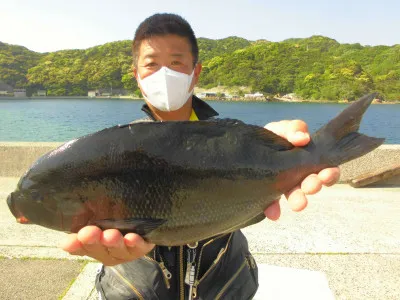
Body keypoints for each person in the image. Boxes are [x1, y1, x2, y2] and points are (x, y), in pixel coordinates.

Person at [61, 13, 340, 299]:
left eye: (176, 62)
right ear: (137, 75)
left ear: (196, 72)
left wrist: (281, 149)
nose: (164, 74)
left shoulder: (228, 140)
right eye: (152, 64)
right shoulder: (115, 153)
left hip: (226, 287)